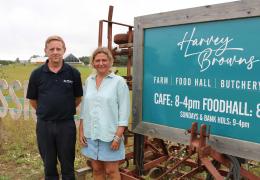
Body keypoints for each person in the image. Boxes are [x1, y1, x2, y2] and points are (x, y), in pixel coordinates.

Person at [26, 35, 83, 180]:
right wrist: (47, 111)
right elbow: (33, 100)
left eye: (59, 48)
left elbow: (77, 98)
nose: (55, 52)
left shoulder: (73, 73)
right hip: (45, 125)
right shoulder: (37, 74)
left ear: (64, 50)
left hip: (66, 125)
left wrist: (63, 110)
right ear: (46, 51)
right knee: (49, 165)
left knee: (68, 165)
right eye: (52, 49)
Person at [79, 47, 130, 180]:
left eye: (104, 60)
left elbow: (124, 112)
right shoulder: (89, 81)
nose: (101, 63)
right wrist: (81, 131)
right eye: (97, 60)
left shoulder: (119, 82)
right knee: (96, 169)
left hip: (110, 135)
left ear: (110, 62)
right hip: (91, 133)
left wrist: (118, 136)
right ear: (93, 63)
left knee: (111, 171)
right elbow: (85, 109)